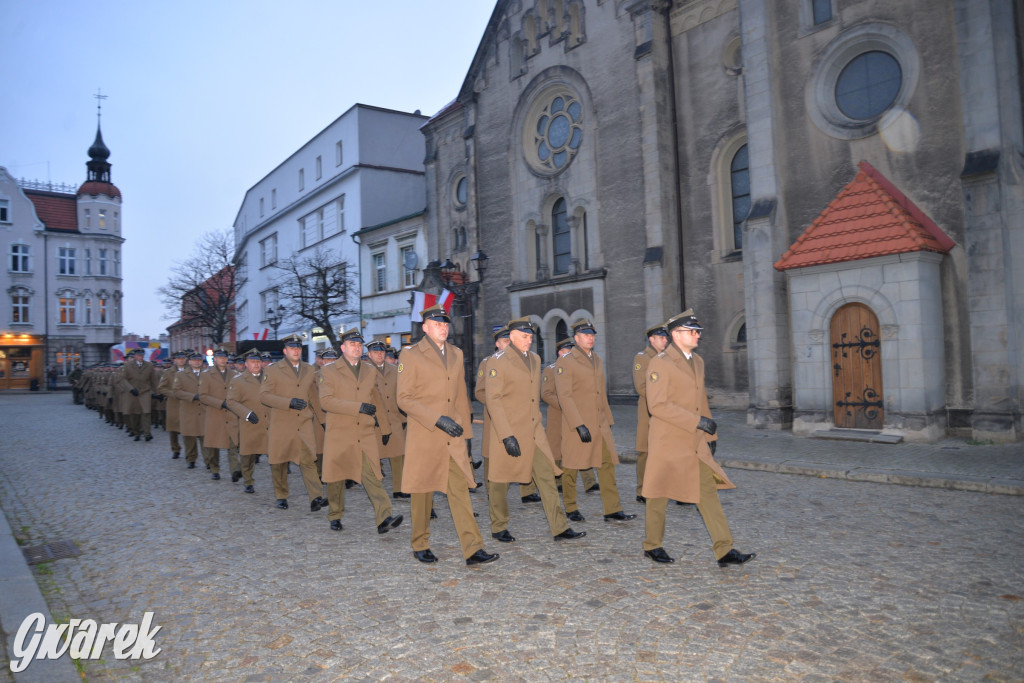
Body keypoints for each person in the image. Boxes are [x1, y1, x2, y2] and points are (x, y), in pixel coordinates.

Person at [642, 309, 755, 567]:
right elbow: (657, 406)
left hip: (694, 442)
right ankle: (652, 545)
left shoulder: (698, 361)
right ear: (675, 335)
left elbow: (700, 400)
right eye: (692, 332)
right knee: (658, 494)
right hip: (668, 441)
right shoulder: (660, 363)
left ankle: (724, 550)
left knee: (707, 493)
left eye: (697, 332)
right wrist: (697, 422)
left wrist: (709, 433)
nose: (697, 336)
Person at [397, 304, 499, 566]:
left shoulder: (455, 353)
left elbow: (461, 395)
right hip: (425, 433)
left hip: (452, 436)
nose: (443, 328)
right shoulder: (410, 354)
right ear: (425, 327)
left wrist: (465, 433)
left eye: (445, 324)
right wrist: (436, 418)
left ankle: (473, 549)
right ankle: (420, 542)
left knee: (459, 491)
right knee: (422, 492)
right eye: (437, 324)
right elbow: (404, 399)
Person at [483, 317, 586, 544]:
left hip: (533, 432)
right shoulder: (497, 361)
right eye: (524, 336)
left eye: (531, 337)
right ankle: (498, 526)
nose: (529, 341)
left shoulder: (535, 359)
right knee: (500, 481)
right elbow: (493, 400)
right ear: (511, 336)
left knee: (546, 478)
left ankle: (559, 527)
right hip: (508, 432)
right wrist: (506, 435)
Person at [318, 329, 402, 534]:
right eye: (352, 344)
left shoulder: (369, 370)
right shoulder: (329, 371)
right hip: (340, 432)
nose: (356, 348)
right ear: (343, 347)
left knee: (372, 473)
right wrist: (357, 407)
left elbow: (377, 399)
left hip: (363, 432)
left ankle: (384, 517)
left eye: (358, 345)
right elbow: (325, 401)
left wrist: (385, 427)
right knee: (336, 476)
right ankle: (335, 514)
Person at [554, 318, 635, 523]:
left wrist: (607, 418)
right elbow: (565, 396)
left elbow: (600, 393)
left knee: (607, 465)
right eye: (586, 335)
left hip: (599, 424)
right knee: (571, 467)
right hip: (577, 425)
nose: (590, 338)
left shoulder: (596, 359)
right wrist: (578, 424)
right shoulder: (566, 361)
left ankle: (612, 509)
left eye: (592, 335)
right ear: (576, 338)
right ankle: (571, 507)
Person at [260, 333, 327, 511]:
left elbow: (313, 395)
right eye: (292, 348)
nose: (296, 351)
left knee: (308, 460)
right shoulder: (272, 370)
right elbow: (264, 396)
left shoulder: (308, 369)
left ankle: (316, 497)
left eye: (298, 348)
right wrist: (288, 403)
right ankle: (281, 495)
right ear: (285, 351)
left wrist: (322, 419)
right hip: (282, 422)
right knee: (280, 462)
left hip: (303, 423)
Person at [541, 339, 598, 495]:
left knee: (582, 446)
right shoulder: (551, 370)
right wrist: (565, 405)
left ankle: (589, 482)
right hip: (558, 415)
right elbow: (546, 394)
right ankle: (558, 480)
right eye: (568, 350)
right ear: (560, 352)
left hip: (577, 415)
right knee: (557, 449)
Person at [633, 322, 669, 503]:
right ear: (651, 339)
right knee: (646, 452)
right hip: (649, 411)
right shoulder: (643, 358)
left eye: (665, 337)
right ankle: (642, 490)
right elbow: (642, 387)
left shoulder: (668, 358)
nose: (665, 341)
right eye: (661, 338)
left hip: (668, 412)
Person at [366, 340, 407, 499]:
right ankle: (375, 490)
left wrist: (404, 417)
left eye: (381, 351)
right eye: (375, 352)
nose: (379, 354)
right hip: (374, 421)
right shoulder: (364, 371)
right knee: (373, 459)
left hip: (394, 419)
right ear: (369, 354)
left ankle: (399, 489)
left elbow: (401, 394)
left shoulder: (394, 369)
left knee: (398, 455)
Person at [225, 348, 269, 494]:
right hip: (250, 422)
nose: (256, 364)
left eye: (258, 361)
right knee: (248, 455)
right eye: (252, 362)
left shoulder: (269, 377)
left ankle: (280, 485)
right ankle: (248, 481)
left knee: (274, 454)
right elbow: (231, 401)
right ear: (246, 364)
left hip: (269, 422)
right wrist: (247, 413)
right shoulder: (238, 380)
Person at [199, 347, 241, 481]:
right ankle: (214, 468)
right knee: (213, 445)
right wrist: (220, 403)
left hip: (231, 415)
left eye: (225, 357)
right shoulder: (206, 375)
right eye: (220, 357)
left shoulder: (234, 374)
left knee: (233, 444)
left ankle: (235, 470)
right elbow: (203, 396)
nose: (223, 360)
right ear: (215, 359)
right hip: (214, 413)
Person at [173, 350, 206, 468]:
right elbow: (177, 392)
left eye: (199, 360)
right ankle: (191, 459)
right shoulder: (181, 375)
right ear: (190, 362)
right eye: (194, 360)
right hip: (188, 409)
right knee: (189, 436)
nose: (197, 362)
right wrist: (192, 396)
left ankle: (209, 461)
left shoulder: (208, 374)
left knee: (205, 436)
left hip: (204, 410)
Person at [119, 349, 157, 441]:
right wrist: (131, 389)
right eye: (139, 355)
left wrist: (156, 392)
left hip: (145, 391)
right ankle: (136, 432)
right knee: (135, 414)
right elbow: (123, 379)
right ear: (135, 356)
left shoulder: (149, 365)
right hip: (133, 393)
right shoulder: (127, 366)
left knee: (146, 412)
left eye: (142, 355)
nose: (141, 357)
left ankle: (147, 433)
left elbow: (154, 380)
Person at [158, 351, 187, 459]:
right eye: (178, 358)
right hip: (173, 403)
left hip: (188, 403)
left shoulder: (191, 371)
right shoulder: (168, 372)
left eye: (183, 358)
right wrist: (173, 394)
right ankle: (175, 448)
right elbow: (161, 387)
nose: (181, 360)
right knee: (173, 428)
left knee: (188, 428)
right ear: (174, 360)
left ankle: (190, 452)